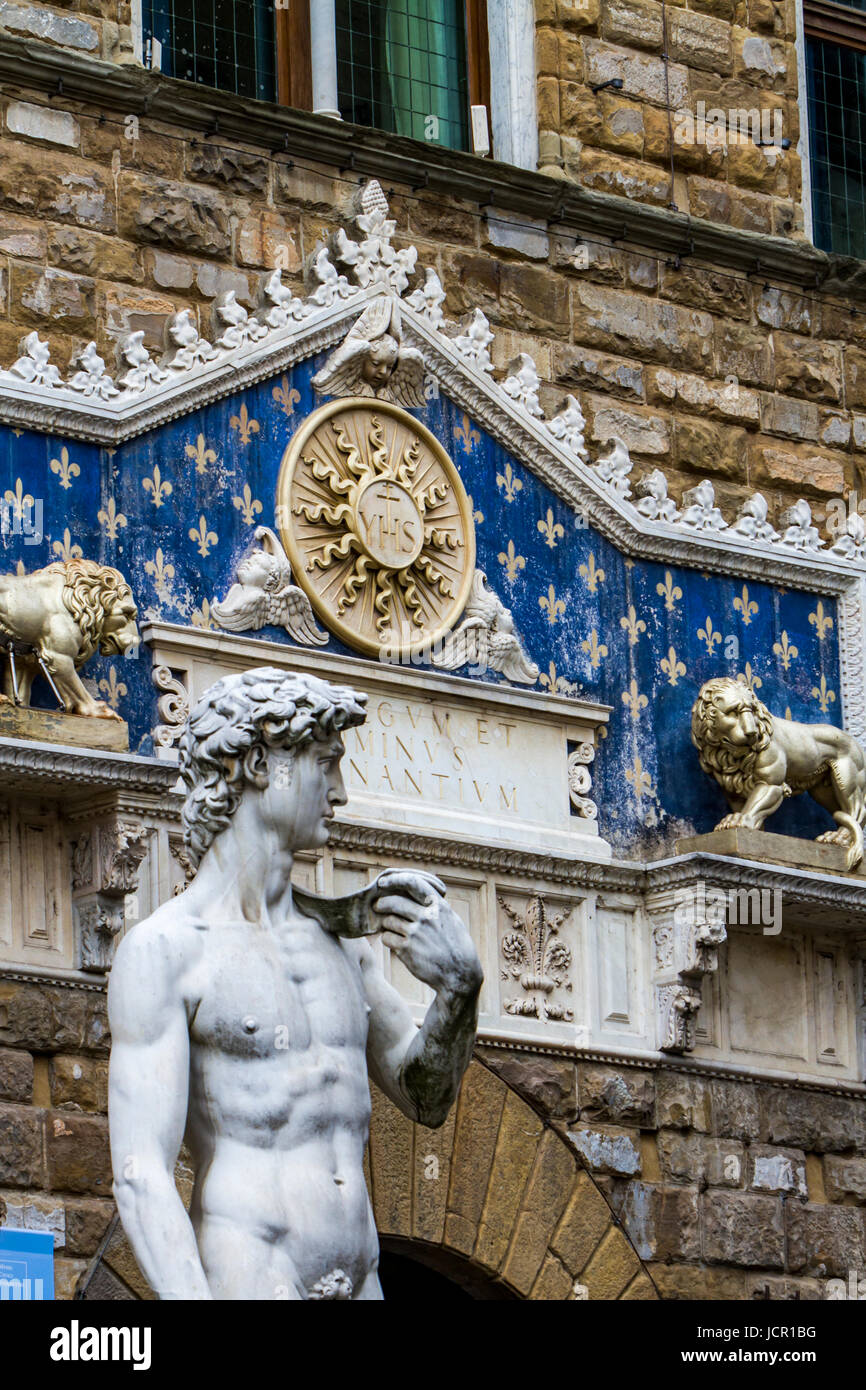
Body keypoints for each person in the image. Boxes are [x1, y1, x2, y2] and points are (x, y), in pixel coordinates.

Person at [108, 667, 482, 1300]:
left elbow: (426, 1099)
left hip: (363, 1279)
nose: (338, 793)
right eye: (324, 764)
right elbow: (141, 1172)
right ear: (260, 764)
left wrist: (458, 991)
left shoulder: (341, 946)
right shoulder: (168, 950)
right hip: (251, 1276)